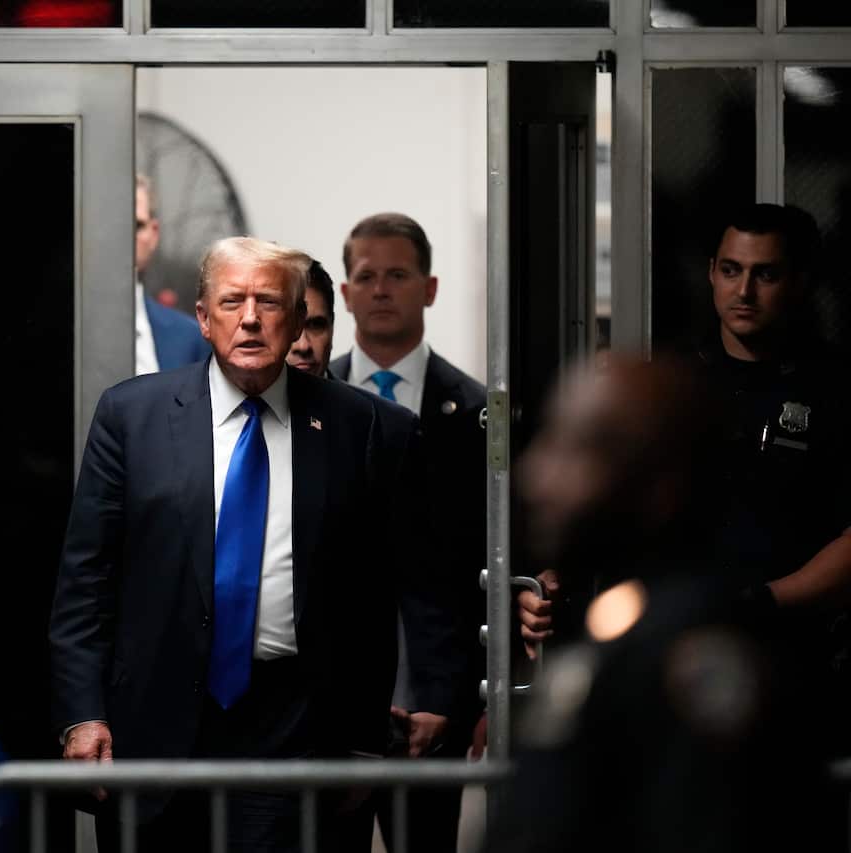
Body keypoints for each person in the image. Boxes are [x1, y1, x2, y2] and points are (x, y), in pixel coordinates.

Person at [50, 237, 423, 852]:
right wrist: (81, 714)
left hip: (295, 726)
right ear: (202, 318)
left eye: (269, 302)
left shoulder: (362, 428)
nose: (250, 318)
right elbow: (85, 582)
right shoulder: (131, 417)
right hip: (154, 719)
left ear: (299, 319)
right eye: (231, 301)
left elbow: (373, 593)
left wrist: (361, 739)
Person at [518, 204, 851, 743]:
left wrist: (760, 601)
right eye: (730, 270)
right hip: (667, 662)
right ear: (711, 272)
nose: (744, 291)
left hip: (797, 667)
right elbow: (611, 513)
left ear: (801, 282)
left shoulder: (836, 388)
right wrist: (555, 587)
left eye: (765, 274)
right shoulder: (669, 384)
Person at [488, 355, 842, 853]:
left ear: (659, 485)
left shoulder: (694, 661)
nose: (536, 475)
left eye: (575, 450)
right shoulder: (621, 633)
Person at [329, 212, 485, 852]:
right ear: (345, 294)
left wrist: (473, 699)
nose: (382, 289)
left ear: (431, 287)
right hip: (330, 711)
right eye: (367, 276)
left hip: (437, 702)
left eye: (399, 274)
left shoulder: (479, 411)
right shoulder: (310, 403)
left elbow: (485, 562)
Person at [134, 173, 210, 374]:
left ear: (154, 233)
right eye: (115, 225)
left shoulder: (191, 338)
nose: (124, 235)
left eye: (136, 226)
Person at [286, 259, 336, 377]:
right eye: (288, 326)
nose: (303, 346)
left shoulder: (353, 396)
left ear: (332, 327)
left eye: (316, 325)